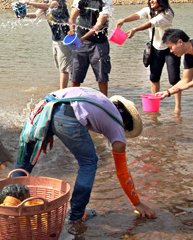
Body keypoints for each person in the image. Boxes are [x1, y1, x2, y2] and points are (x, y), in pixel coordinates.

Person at [13, 86, 156, 223]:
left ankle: (9, 205)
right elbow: (122, 173)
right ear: (126, 123)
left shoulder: (102, 102)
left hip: (44, 109)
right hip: (65, 113)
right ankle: (77, 216)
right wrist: (137, 203)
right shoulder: (118, 124)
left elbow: (60, 103)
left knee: (25, 161)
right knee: (89, 162)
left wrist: (49, 130)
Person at [116, 0, 182, 113]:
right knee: (154, 77)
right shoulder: (149, 10)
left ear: (161, 0)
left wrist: (135, 29)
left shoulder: (167, 13)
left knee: (174, 79)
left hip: (170, 48)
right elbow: (137, 15)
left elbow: (151, 23)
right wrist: (124, 20)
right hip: (156, 48)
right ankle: (155, 105)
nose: (151, 1)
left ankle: (177, 107)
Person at [68, 0, 113, 96]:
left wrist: (83, 38)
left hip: (99, 43)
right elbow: (72, 17)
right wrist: (72, 30)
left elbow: (98, 25)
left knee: (102, 75)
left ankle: (105, 101)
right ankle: (72, 99)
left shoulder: (105, 2)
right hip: (80, 42)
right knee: (75, 73)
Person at [23, 0, 72, 89]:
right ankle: (67, 87)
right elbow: (36, 14)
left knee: (64, 68)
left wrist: (29, 2)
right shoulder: (45, 2)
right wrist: (24, 15)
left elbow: (48, 6)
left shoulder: (59, 0)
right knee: (60, 66)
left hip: (64, 39)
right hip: (55, 39)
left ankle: (62, 92)